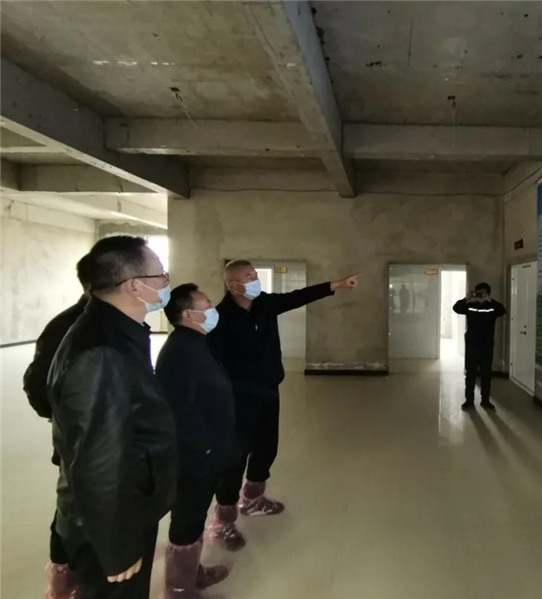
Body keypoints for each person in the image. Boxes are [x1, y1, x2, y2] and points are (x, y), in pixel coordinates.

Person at [47, 235, 177, 598]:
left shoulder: (116, 333)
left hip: (126, 504)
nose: (166, 282)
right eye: (160, 275)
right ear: (134, 286)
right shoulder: (103, 352)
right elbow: (98, 464)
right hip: (113, 522)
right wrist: (117, 548)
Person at [206, 260, 360, 550]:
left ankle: (252, 500)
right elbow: (211, 361)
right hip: (238, 398)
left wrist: (336, 285)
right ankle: (223, 521)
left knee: (267, 448)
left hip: (268, 391)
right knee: (235, 458)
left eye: (255, 274)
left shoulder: (264, 304)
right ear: (233, 284)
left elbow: (297, 297)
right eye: (248, 276)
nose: (255, 279)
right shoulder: (220, 318)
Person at [156, 284, 235, 598]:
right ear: (189, 314)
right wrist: (205, 447)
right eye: (207, 304)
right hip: (196, 454)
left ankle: (191, 575)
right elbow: (179, 409)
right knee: (188, 517)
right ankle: (179, 590)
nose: (213, 308)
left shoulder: (195, 342)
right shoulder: (180, 351)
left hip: (207, 449)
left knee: (194, 514)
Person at [23, 254, 92, 599]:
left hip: (107, 438)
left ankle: (92, 563)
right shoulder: (68, 327)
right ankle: (63, 578)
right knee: (72, 506)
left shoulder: (117, 323)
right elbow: (36, 384)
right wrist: (66, 421)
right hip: (79, 439)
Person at [453, 283, 507, 410]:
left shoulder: (492, 307)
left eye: (483, 293)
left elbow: (502, 310)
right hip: (472, 346)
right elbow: (456, 308)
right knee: (470, 375)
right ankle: (469, 400)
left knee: (486, 375)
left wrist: (490, 300)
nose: (480, 295)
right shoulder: (470, 306)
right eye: (478, 293)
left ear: (488, 293)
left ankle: (485, 400)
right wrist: (467, 298)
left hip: (486, 346)